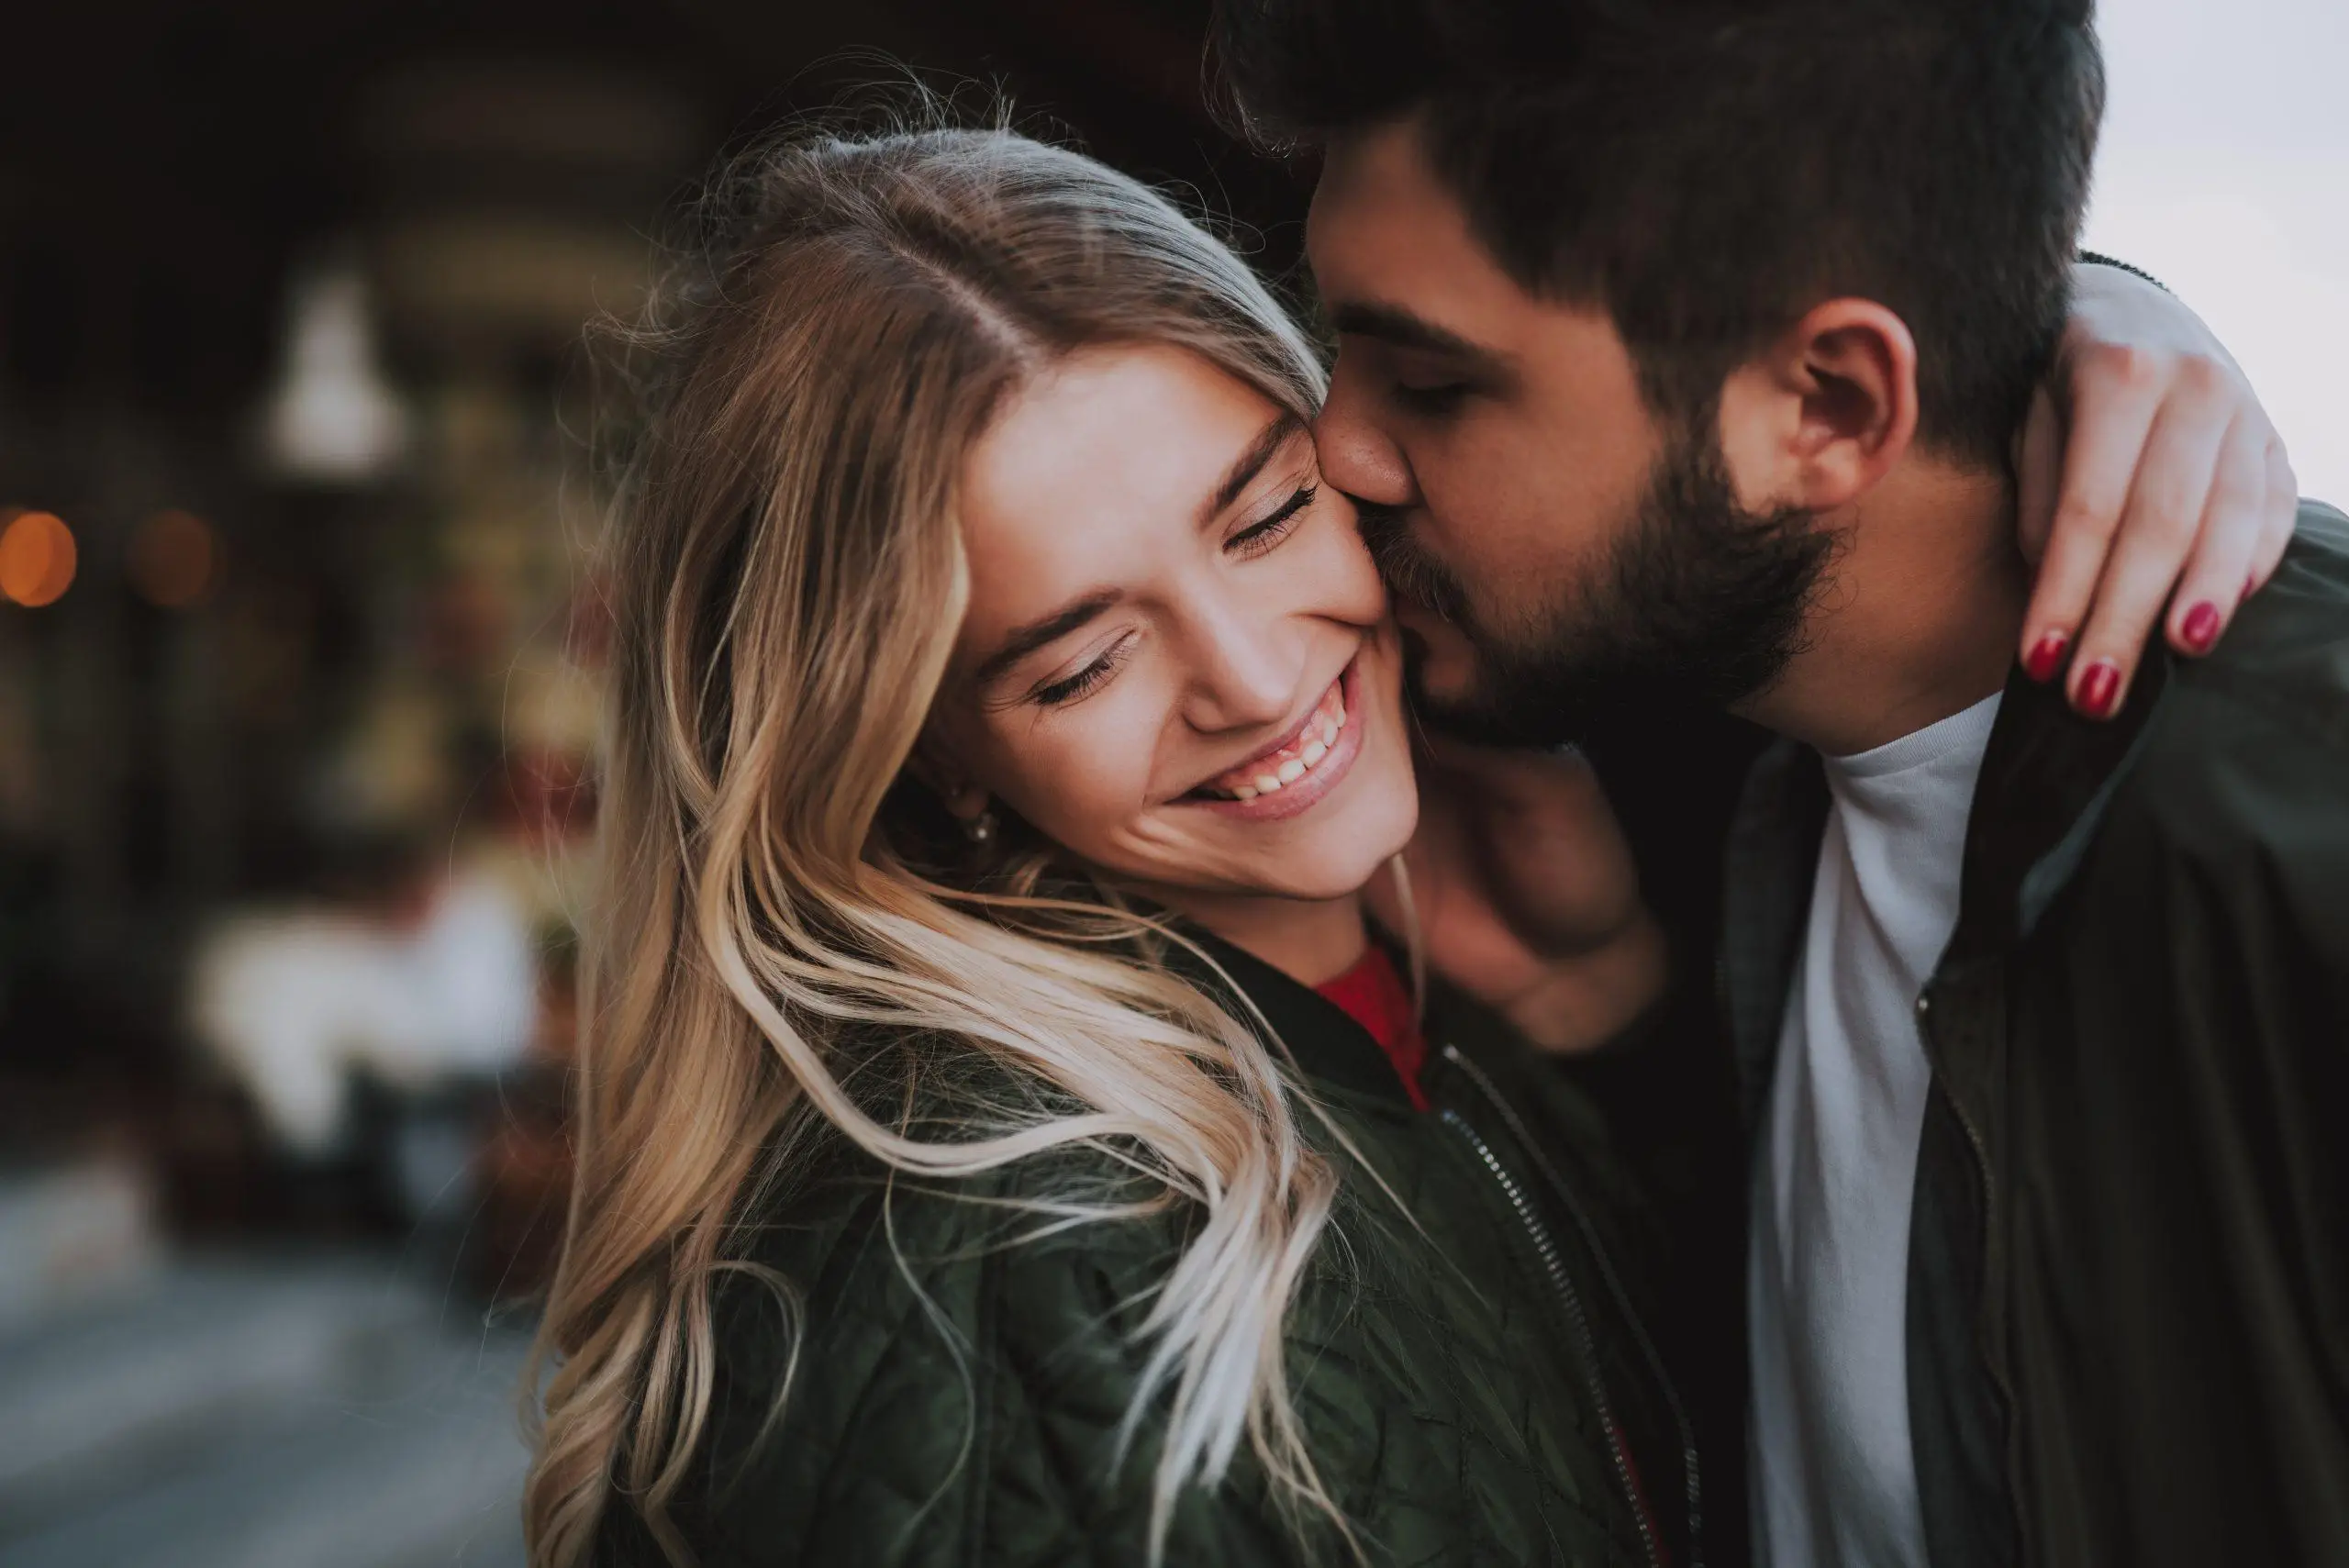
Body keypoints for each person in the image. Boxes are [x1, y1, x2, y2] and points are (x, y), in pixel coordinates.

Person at [527, 120, 2290, 1568]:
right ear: (930, 761)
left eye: (1265, 512)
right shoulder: (1000, 1278)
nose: (1250, 671)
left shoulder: (1462, 930)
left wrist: (2067, 322)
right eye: (1080, 657)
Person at [1212, 2, 2347, 1566]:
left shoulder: (2296, 828)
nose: (1340, 448)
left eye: (1435, 381)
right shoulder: (1685, 710)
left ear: (1827, 408)